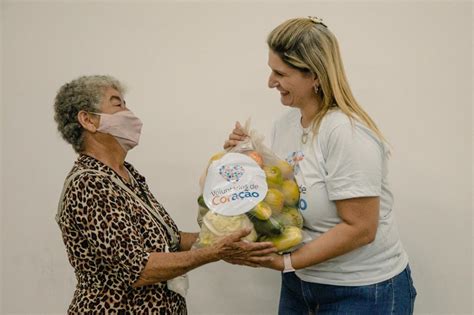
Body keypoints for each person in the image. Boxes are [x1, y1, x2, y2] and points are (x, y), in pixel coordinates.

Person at [224, 17, 417, 314]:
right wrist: (245, 160)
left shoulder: (346, 133)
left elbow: (361, 228)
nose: (270, 82)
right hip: (301, 283)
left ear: (314, 75)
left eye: (280, 73)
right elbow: (284, 196)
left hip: (363, 291)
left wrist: (285, 262)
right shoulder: (285, 125)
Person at [53, 75, 276, 314]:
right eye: (118, 104)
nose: (129, 113)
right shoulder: (90, 184)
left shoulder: (125, 175)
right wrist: (215, 252)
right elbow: (138, 269)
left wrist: (229, 235)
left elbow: (170, 239)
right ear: (88, 120)